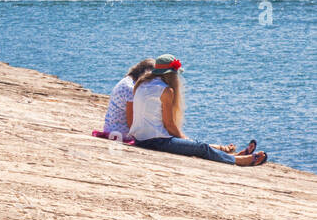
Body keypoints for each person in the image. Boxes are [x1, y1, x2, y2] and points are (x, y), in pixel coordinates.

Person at [128, 56, 266, 166]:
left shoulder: (142, 84)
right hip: (155, 141)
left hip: (140, 138)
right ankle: (239, 161)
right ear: (171, 75)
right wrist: (183, 138)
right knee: (200, 147)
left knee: (195, 145)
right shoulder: (165, 90)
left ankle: (232, 155)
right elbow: (169, 124)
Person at [102, 58, 155, 138]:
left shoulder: (127, 80)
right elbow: (131, 121)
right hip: (120, 132)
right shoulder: (131, 88)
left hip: (111, 128)